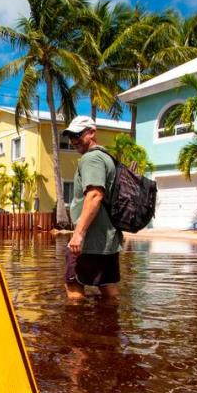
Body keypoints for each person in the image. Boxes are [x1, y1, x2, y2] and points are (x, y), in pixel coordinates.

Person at [61, 116, 122, 301]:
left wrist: (79, 233)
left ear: (92, 132)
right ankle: (111, 327)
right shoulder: (106, 157)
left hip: (91, 239)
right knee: (107, 286)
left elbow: (95, 195)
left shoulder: (91, 158)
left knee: (73, 284)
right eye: (70, 137)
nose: (73, 141)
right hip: (107, 239)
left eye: (77, 135)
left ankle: (77, 329)